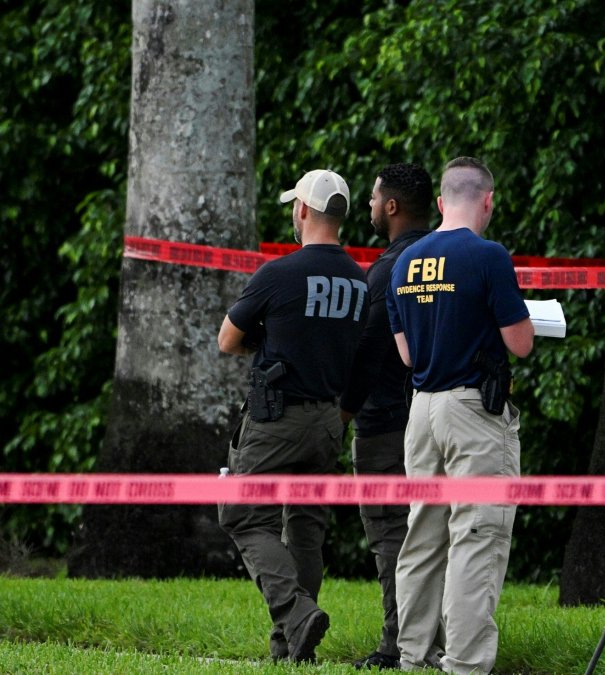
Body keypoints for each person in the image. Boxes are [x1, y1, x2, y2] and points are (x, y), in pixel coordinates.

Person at [386, 157, 534, 674]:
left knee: (422, 539)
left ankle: (413, 656)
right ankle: (466, 664)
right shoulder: (489, 256)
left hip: (421, 411)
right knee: (477, 534)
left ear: (441, 202)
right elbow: (520, 343)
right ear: (487, 201)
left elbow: (407, 355)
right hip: (472, 411)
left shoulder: (405, 262)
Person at [217, 169, 368, 663]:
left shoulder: (278, 273)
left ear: (302, 210)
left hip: (276, 419)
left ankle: (297, 615)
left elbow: (227, 339)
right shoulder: (359, 280)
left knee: (243, 515)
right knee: (306, 528)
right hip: (327, 420)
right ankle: (291, 648)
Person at [338, 163, 434, 671]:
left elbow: (369, 355)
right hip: (438, 416)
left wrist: (342, 416)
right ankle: (440, 639)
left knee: (391, 534)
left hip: (385, 424)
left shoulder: (385, 272)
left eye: (375, 199)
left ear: (392, 206)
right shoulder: (446, 261)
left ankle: (397, 644)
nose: (371, 206)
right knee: (435, 533)